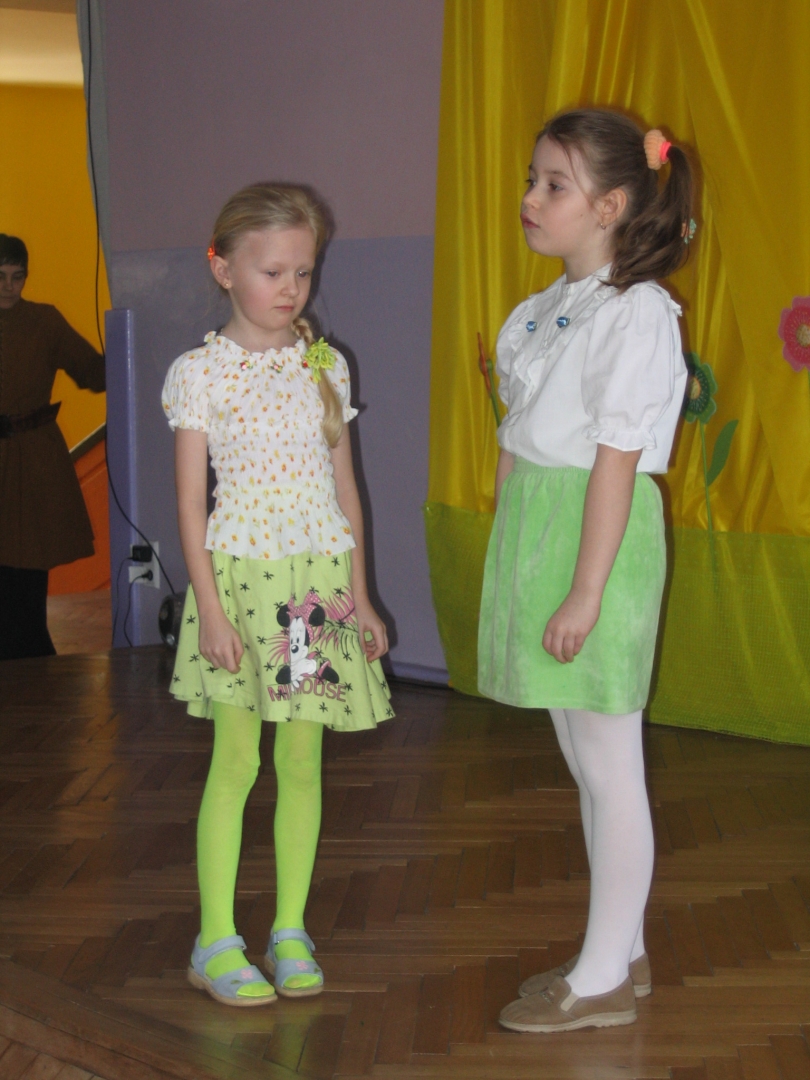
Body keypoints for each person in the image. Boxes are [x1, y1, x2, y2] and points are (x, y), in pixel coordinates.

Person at [478, 110, 692, 1033]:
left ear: (609, 206)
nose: (531, 198)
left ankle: (601, 979)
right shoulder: (538, 313)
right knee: (584, 762)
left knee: (610, 766)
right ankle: (624, 951)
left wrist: (587, 589)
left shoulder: (635, 312)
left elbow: (615, 460)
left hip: (597, 542)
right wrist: (512, 548)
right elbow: (517, 442)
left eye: (554, 185)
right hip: (542, 533)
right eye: (532, 179)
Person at [162, 183, 393, 1008]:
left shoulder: (323, 362)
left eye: (303, 270)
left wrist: (361, 597)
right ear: (223, 268)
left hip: (313, 592)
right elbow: (191, 503)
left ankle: (289, 929)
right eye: (272, 271)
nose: (291, 287)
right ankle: (215, 940)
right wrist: (209, 609)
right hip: (241, 586)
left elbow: (346, 491)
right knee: (237, 761)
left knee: (301, 760)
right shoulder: (199, 372)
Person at [0, 234, 105, 661]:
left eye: (17, 276)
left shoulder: (44, 322)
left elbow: (93, 371)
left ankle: (31, 659)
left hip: (33, 459)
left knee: (28, 568)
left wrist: (130, 342)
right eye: (0, 276)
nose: (9, 286)